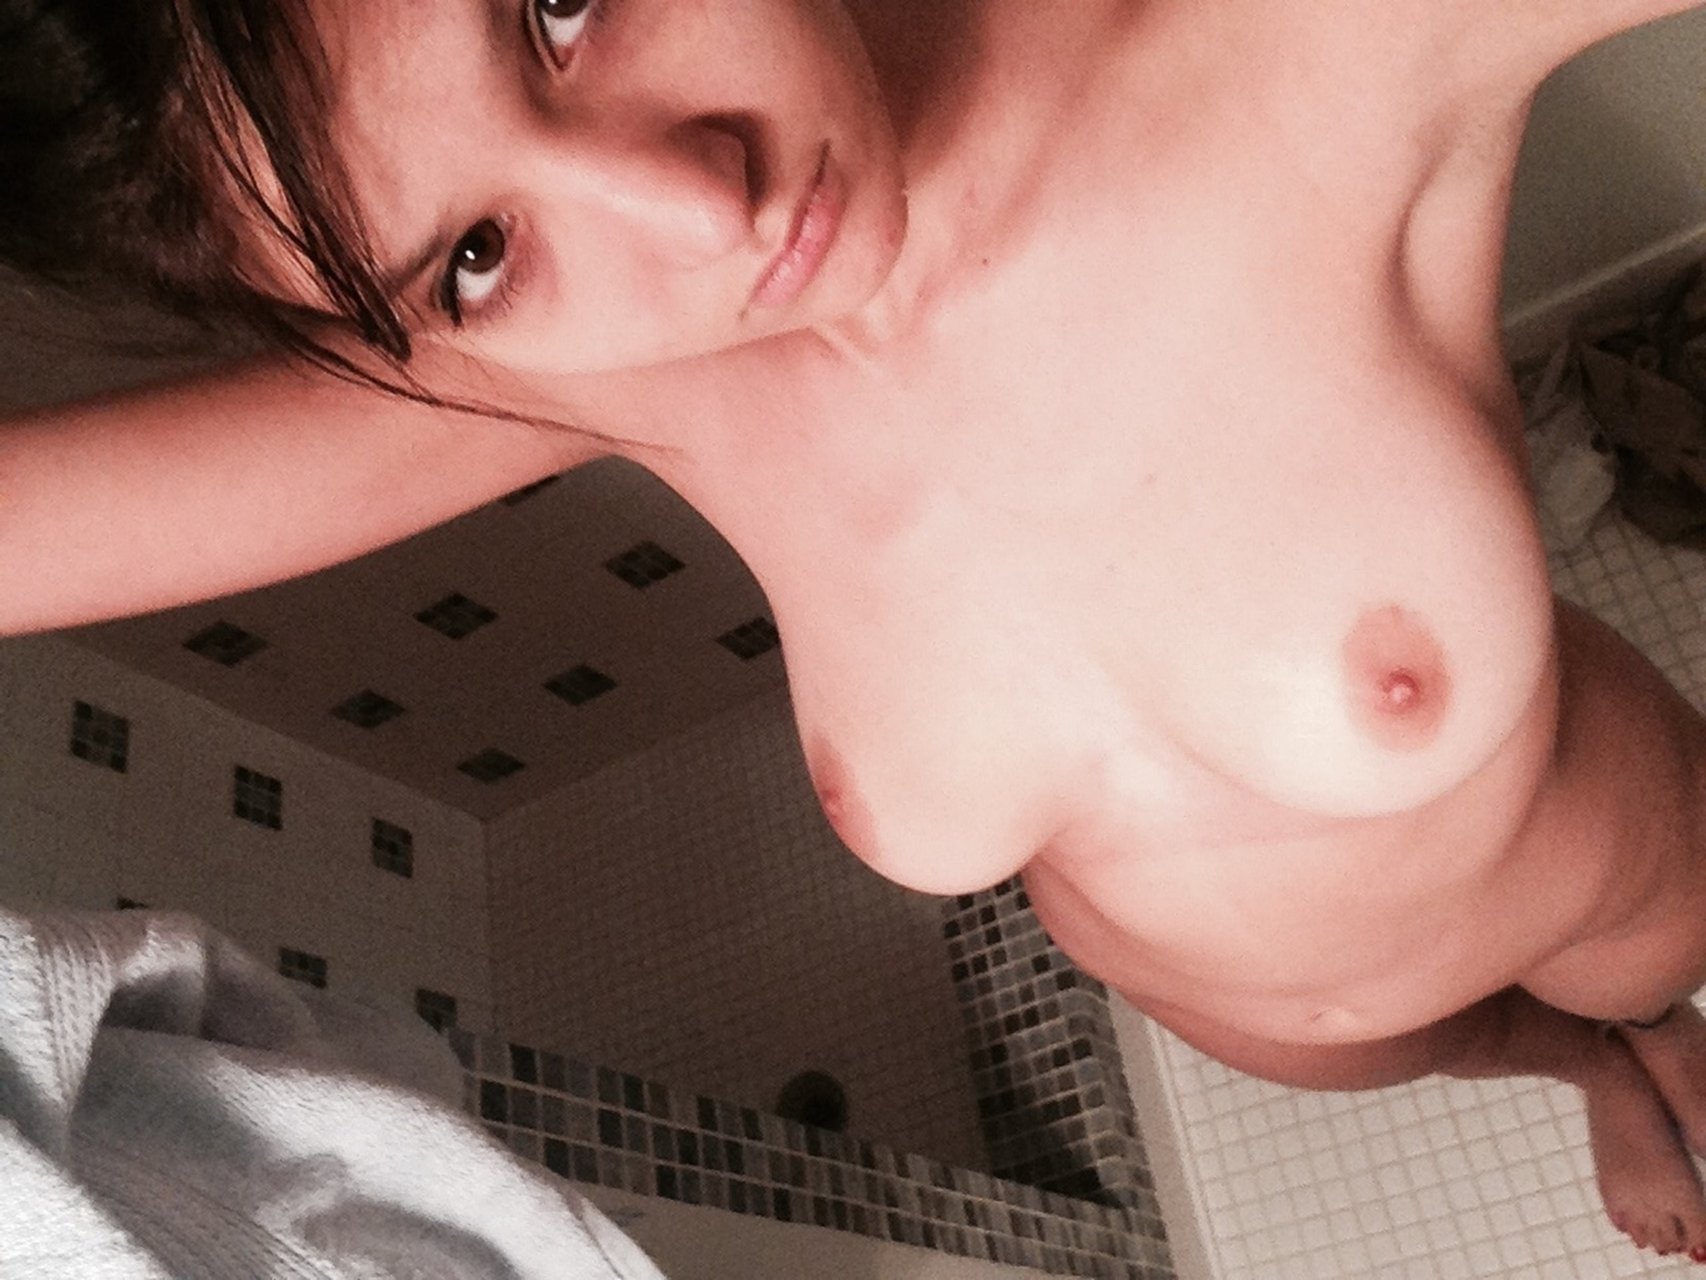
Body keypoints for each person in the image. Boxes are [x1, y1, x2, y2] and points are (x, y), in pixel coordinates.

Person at [5, 0, 1706, 1261]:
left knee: (1639, 984)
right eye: (471, 255)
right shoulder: (610, 363)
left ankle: (1646, 1030)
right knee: (1462, 1048)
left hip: (1593, 871)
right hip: (1240, 1004)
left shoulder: (1280, 40)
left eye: (561, 4)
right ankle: (1582, 1069)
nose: (699, 212)